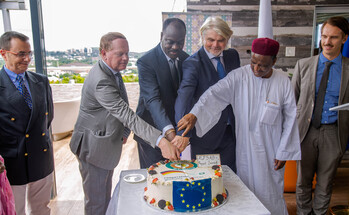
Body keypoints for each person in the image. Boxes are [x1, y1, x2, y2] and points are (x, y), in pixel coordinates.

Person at [177, 38, 301, 215]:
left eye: (263, 65)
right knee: (246, 191)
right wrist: (194, 114)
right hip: (246, 150)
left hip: (271, 151)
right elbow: (214, 94)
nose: (256, 69)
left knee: (271, 193)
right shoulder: (239, 76)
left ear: (274, 61)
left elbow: (290, 118)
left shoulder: (283, 82)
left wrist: (284, 151)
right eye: (253, 63)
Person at [69, 32, 180, 215]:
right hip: (93, 148)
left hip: (104, 146)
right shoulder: (101, 81)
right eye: (120, 53)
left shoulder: (112, 71)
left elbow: (123, 108)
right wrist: (161, 141)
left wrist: (124, 132)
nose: (126, 58)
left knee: (105, 198)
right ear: (103, 53)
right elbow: (126, 114)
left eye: (127, 53)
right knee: (96, 204)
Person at [292, 16, 349, 215]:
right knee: (302, 182)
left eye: (333, 37)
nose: (327, 42)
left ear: (344, 39)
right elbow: (292, 101)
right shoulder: (303, 65)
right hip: (305, 132)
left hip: (333, 133)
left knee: (325, 183)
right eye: (324, 36)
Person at [174, 16, 240, 171]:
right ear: (202, 37)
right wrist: (182, 133)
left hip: (232, 132)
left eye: (221, 40)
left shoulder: (233, 56)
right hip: (205, 136)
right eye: (210, 40)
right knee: (206, 180)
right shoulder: (193, 64)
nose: (216, 45)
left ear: (227, 39)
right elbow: (184, 97)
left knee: (232, 179)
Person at [0, 31, 54, 215]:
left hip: (41, 156)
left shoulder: (41, 81)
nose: (27, 59)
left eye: (29, 53)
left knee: (42, 209)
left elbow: (48, 118)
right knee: (16, 211)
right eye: (20, 54)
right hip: (12, 163)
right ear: (3, 53)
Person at [134, 18, 189, 168]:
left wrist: (180, 135)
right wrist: (170, 134)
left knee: (176, 178)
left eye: (180, 42)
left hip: (176, 135)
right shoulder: (146, 62)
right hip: (151, 132)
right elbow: (153, 100)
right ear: (161, 36)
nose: (175, 47)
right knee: (155, 179)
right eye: (170, 41)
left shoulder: (187, 60)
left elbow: (187, 97)